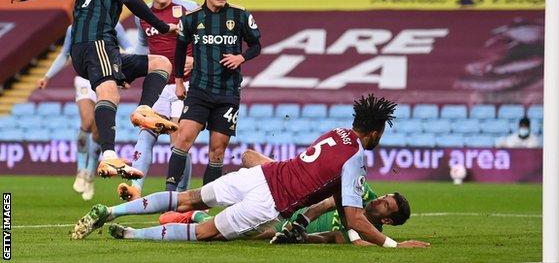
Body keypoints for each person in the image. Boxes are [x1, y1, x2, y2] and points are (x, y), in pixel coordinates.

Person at [71, 94, 424, 248]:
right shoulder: (357, 157)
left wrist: (306, 219)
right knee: (208, 232)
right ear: (375, 132)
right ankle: (131, 234)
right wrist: (393, 245)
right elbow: (355, 216)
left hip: (260, 176)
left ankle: (111, 210)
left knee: (186, 197)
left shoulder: (336, 133)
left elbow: (329, 186)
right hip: (270, 201)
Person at [10, 0, 179, 180]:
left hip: (86, 47)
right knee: (109, 91)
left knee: (160, 64)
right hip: (97, 41)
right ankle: (109, 155)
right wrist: (161, 25)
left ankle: (144, 109)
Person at [159, 149, 428, 247]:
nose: (379, 200)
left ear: (388, 221)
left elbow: (333, 237)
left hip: (285, 218)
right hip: (294, 197)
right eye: (384, 196)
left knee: (238, 234)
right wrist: (306, 218)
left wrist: (301, 235)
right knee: (249, 156)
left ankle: (194, 216)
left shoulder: (368, 233)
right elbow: (330, 202)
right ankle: (274, 173)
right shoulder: (362, 191)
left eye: (385, 205)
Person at [163, 0, 261, 191]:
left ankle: (206, 200)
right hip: (199, 90)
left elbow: (256, 45)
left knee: (217, 150)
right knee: (182, 139)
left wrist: (241, 57)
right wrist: (178, 82)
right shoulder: (191, 19)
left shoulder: (240, 15)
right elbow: (179, 52)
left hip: (228, 94)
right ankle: (170, 194)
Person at [117, 0, 198, 201]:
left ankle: (177, 196)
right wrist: (129, 73)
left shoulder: (189, 8)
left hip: (186, 85)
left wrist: (196, 60)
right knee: (145, 134)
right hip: (160, 87)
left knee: (178, 140)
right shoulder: (141, 16)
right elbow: (143, 47)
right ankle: (135, 188)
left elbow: (207, 40)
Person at [38, 23, 132, 200]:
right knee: (87, 122)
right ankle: (81, 170)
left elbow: (129, 47)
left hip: (106, 80)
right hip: (84, 80)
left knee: (98, 131)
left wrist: (122, 72)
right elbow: (64, 53)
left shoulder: (114, 24)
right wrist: (47, 76)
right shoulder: (73, 28)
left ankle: (89, 173)